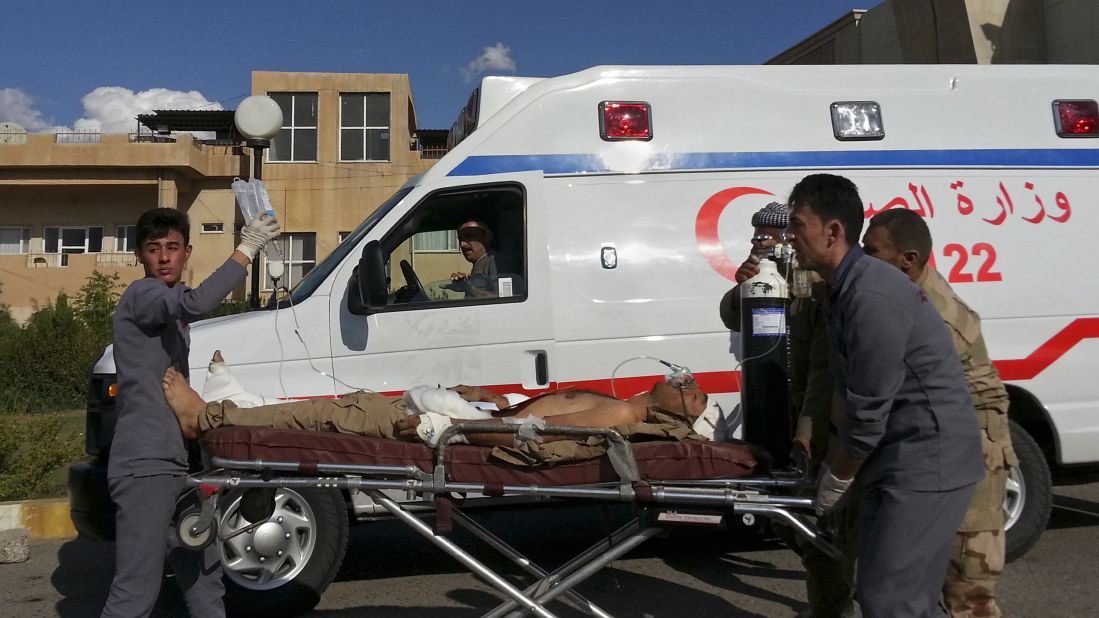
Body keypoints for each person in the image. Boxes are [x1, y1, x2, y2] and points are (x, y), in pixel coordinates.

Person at [785, 173, 984, 618]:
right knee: (906, 601)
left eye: (798, 225)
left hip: (925, 458)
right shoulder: (846, 288)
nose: (790, 237)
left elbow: (867, 409)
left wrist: (836, 479)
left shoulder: (870, 293)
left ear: (832, 231)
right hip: (902, 455)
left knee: (890, 602)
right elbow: (844, 393)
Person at [102, 207, 280, 618]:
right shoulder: (144, 295)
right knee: (135, 592)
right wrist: (246, 249)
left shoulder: (171, 314)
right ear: (139, 257)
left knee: (203, 575)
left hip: (176, 464)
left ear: (187, 253)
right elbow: (197, 302)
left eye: (173, 247)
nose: (164, 257)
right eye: (153, 249)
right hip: (144, 465)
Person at [863, 208, 1016, 618]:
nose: (862, 259)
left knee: (968, 585)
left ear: (907, 260)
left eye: (871, 250)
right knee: (922, 581)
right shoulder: (901, 292)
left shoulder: (934, 312)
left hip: (974, 440)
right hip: (941, 434)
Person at [719, 202, 854, 618]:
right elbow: (732, 317)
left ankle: (843, 597)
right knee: (789, 516)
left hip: (814, 410)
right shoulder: (758, 274)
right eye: (756, 235)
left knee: (826, 523)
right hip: (779, 406)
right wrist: (741, 284)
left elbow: (823, 360)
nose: (761, 242)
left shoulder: (815, 277)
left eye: (768, 235)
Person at [162, 362, 712, 449]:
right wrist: (495, 401)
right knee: (342, 407)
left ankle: (208, 417)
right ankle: (237, 404)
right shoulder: (620, 402)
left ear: (675, 412)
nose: (680, 377)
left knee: (342, 411)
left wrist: (441, 427)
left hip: (451, 433)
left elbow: (536, 435)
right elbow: (529, 416)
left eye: (687, 386)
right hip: (472, 418)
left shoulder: (622, 415)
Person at [447, 220, 498, 298]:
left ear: (487, 237)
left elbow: (503, 299)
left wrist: (469, 288)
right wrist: (463, 284)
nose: (462, 244)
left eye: (469, 236)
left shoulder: (495, 260)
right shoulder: (481, 261)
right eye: (460, 239)